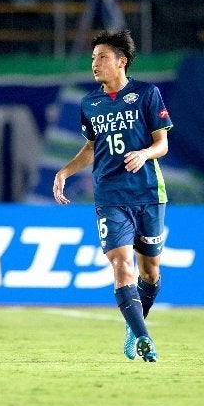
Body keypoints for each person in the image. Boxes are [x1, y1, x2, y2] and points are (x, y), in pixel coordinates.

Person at [52, 29, 173, 362]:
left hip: (148, 194)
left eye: (102, 57)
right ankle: (144, 338)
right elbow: (92, 148)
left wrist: (144, 154)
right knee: (121, 265)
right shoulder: (90, 103)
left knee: (150, 272)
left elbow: (162, 144)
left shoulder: (147, 94)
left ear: (122, 61)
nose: (95, 63)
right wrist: (64, 171)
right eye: (93, 58)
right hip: (109, 195)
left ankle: (134, 325)